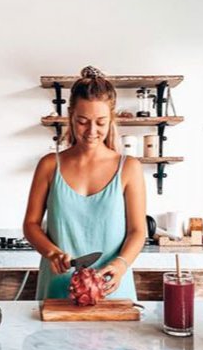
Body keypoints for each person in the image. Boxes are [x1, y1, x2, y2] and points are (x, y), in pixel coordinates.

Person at [23, 66, 146, 300]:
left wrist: (120, 264)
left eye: (100, 122)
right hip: (58, 289)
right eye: (82, 121)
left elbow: (137, 231)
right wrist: (52, 253)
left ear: (112, 119)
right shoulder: (49, 165)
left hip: (111, 288)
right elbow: (30, 224)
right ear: (70, 115)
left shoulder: (129, 167)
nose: (91, 131)